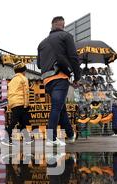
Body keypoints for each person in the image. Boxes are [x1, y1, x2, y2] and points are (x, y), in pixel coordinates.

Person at [37, 16, 81, 147]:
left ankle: (70, 134)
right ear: (62, 25)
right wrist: (77, 77)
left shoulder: (41, 43)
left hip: (46, 80)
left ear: (52, 25)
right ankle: (51, 138)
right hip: (59, 77)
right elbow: (73, 57)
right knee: (57, 107)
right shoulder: (66, 36)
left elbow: (39, 64)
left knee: (60, 108)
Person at [1, 62, 33, 146]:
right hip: (20, 102)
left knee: (21, 121)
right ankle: (6, 138)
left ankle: (27, 139)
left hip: (13, 103)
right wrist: (26, 105)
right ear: (22, 71)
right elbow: (26, 92)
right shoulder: (23, 78)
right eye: (25, 70)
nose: (25, 72)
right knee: (14, 121)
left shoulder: (13, 80)